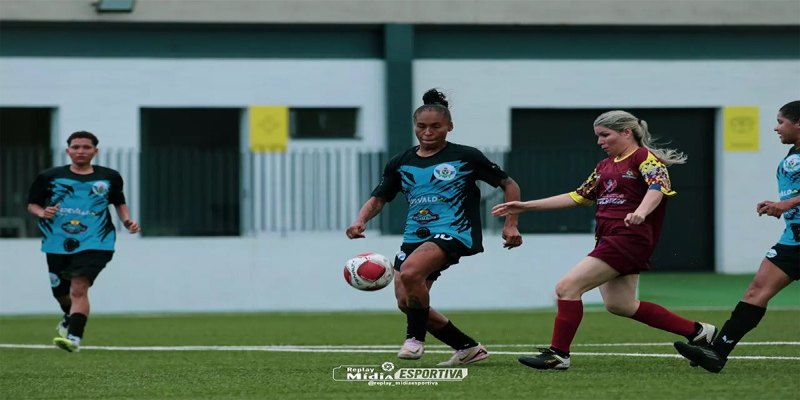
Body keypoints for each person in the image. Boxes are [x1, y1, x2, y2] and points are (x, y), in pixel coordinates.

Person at [492, 110, 716, 370]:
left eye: (604, 135)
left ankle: (558, 354)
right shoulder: (604, 166)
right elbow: (578, 196)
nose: (599, 141)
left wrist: (641, 213)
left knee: (567, 287)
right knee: (620, 305)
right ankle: (699, 331)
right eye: (598, 136)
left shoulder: (645, 158)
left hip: (629, 238)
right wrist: (525, 206)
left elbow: (657, 189)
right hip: (609, 239)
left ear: (626, 132)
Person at [345, 89, 523, 366]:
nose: (428, 132)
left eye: (436, 126)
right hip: (415, 235)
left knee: (412, 273)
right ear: (415, 127)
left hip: (455, 231)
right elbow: (380, 197)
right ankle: (467, 347)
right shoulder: (401, 162)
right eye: (421, 126)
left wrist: (511, 224)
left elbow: (509, 185)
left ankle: (414, 340)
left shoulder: (466, 156)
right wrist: (360, 221)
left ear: (449, 127)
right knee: (407, 300)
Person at [674, 101, 800, 373]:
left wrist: (787, 205)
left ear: (798, 123)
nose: (775, 127)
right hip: (793, 240)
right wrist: (782, 207)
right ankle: (718, 353)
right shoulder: (793, 153)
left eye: (780, 121)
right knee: (756, 291)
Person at [27, 131, 140, 352]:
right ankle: (69, 316)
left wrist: (127, 220)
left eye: (86, 147)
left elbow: (119, 201)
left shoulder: (109, 177)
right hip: (56, 241)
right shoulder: (50, 176)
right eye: (76, 147)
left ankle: (74, 338)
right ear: (68, 150)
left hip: (96, 241)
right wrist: (42, 213)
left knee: (79, 288)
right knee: (61, 293)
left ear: (95, 151)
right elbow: (32, 204)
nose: (81, 151)